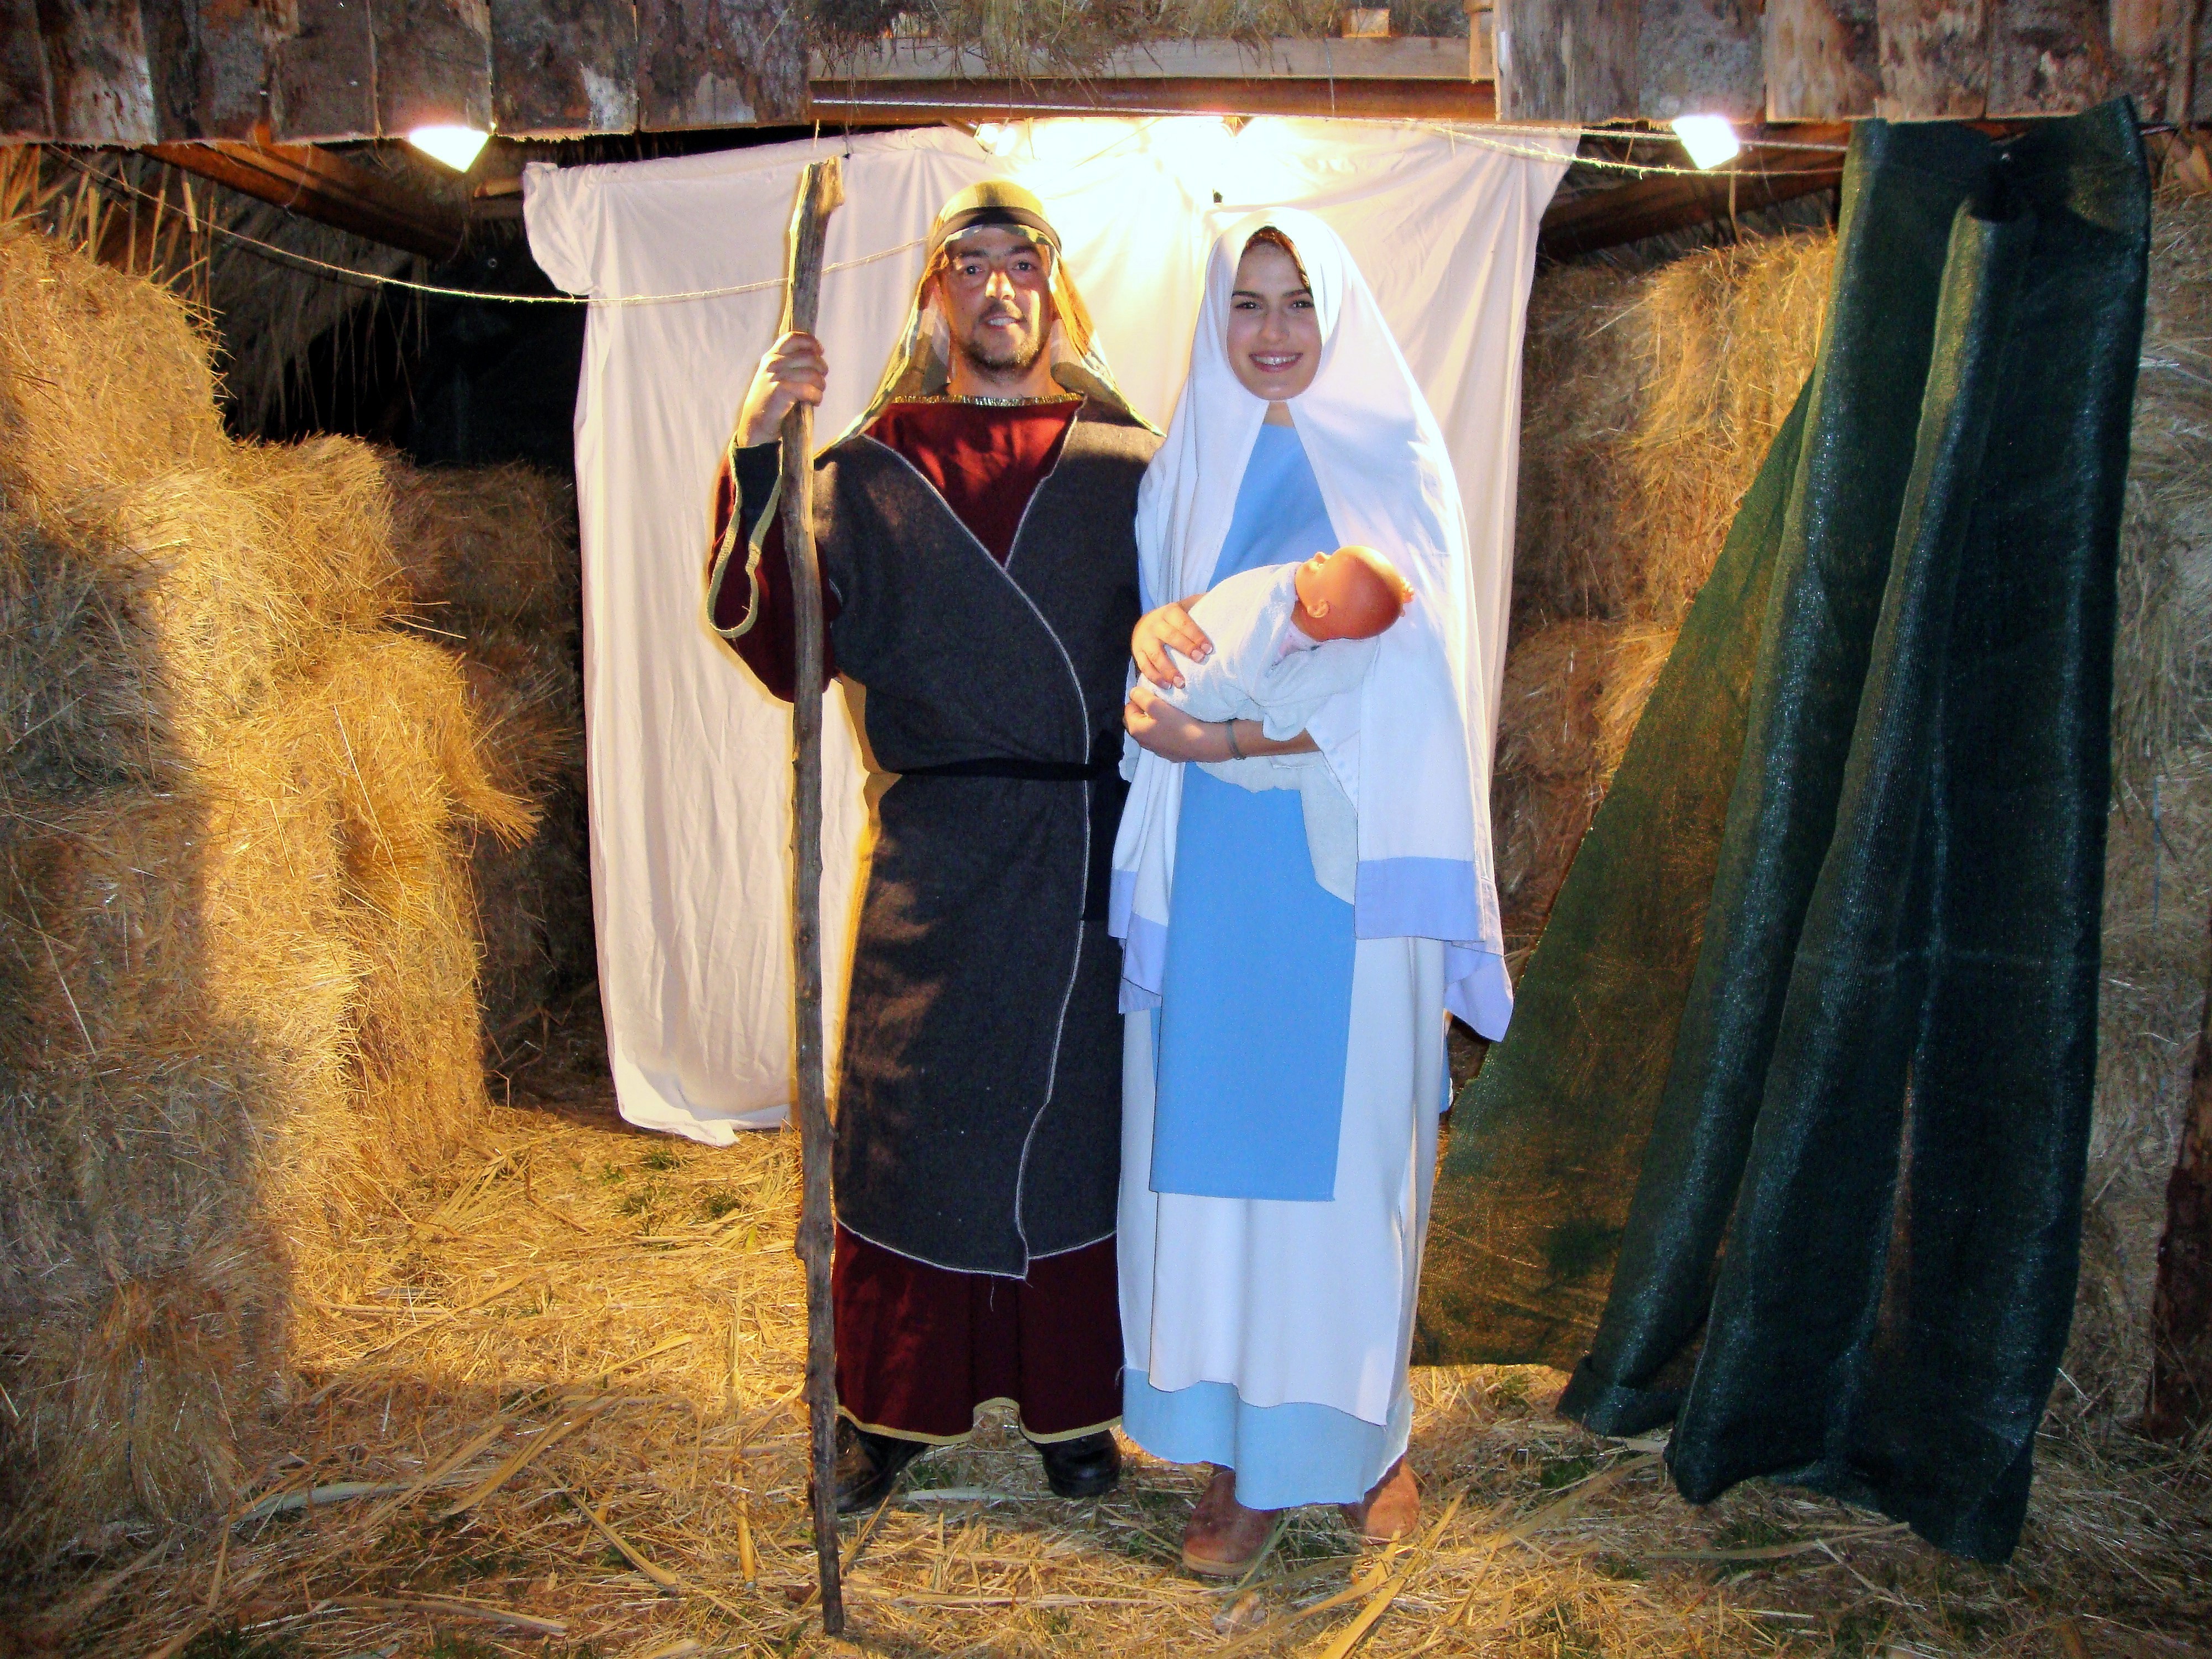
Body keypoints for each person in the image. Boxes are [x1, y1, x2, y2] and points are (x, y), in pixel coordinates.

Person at [706, 180, 1158, 1512]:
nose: (999, 286)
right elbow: (775, 634)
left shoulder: (1133, 464)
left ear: (1055, 289)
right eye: (972, 263)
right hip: (935, 859)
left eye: (1025, 263)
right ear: (935, 291)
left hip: (1084, 847)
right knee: (908, 1127)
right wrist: (757, 447)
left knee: (1075, 1131)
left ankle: (1076, 1405)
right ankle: (891, 1411)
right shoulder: (862, 469)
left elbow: (1207, 628)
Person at [1109, 212, 1513, 1574]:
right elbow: (1170, 639)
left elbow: (1414, 683)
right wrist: (1151, 638)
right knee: (1213, 1171)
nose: (1272, 330)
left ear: (1335, 314)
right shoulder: (1189, 462)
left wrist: (1223, 738)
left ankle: (1362, 1434)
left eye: (1296, 303)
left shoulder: (1393, 457)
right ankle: (1240, 1454)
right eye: (1248, 303)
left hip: (1344, 863)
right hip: (1218, 870)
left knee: (1350, 1170)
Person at [1122, 545, 1413, 904]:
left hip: (1231, 782)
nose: (1318, 555)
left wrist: (1219, 741)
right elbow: (1230, 605)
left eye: (1326, 564)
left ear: (1322, 608)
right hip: (1174, 698)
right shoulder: (1277, 599)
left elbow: (1281, 697)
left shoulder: (1310, 650)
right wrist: (1171, 616)